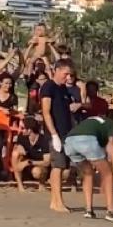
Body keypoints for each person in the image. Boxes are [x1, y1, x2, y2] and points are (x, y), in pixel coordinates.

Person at [64, 109, 113, 223]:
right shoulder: (112, 124)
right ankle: (111, 212)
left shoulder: (94, 120)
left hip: (70, 141)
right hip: (87, 140)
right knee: (108, 174)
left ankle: (88, 210)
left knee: (88, 173)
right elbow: (110, 144)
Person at [40, 58, 76, 212]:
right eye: (66, 73)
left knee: (62, 168)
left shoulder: (63, 89)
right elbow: (46, 112)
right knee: (58, 166)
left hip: (66, 132)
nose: (68, 77)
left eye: (70, 74)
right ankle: (57, 201)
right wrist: (54, 134)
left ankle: (55, 201)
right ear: (57, 70)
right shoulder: (48, 87)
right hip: (56, 133)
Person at [11, 117, 51, 191]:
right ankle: (20, 185)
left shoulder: (44, 140)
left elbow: (47, 162)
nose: (21, 130)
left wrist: (29, 162)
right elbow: (17, 148)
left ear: (29, 130)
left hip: (41, 167)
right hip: (27, 167)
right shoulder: (22, 137)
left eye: (23, 128)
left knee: (37, 172)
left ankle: (42, 185)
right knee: (15, 154)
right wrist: (19, 149)